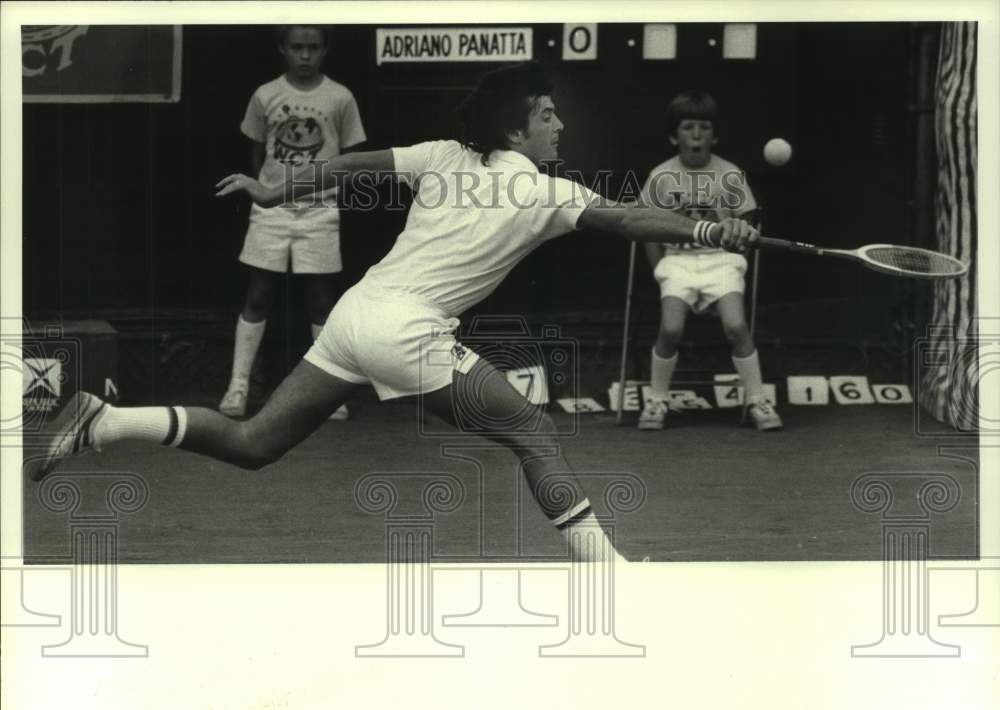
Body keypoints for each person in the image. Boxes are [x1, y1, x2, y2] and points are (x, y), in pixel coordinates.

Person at [29, 63, 756, 562]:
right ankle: (613, 576)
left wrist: (278, 189)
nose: (558, 122)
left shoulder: (442, 154)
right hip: (405, 329)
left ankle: (109, 420)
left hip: (356, 313)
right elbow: (630, 220)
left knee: (256, 443)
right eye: (545, 113)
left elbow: (352, 166)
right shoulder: (548, 193)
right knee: (532, 431)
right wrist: (708, 229)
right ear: (514, 131)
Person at [220, 24, 367, 420]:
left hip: (320, 211)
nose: (305, 55)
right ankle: (238, 386)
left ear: (325, 50)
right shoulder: (265, 94)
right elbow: (257, 153)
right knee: (258, 295)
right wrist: (274, 190)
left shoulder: (340, 97)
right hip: (271, 212)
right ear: (282, 48)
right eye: (297, 47)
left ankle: (328, 394)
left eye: (313, 47)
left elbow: (351, 159)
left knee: (321, 301)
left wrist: (314, 190)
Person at [637, 90, 782, 431]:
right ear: (674, 136)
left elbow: (747, 221)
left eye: (704, 127)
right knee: (670, 329)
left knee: (736, 326)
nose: (697, 135)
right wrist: (660, 268)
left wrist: (740, 244)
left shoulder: (730, 174)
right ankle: (657, 400)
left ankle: (758, 399)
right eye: (688, 127)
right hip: (677, 264)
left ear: (715, 135)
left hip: (721, 262)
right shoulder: (660, 176)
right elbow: (644, 228)